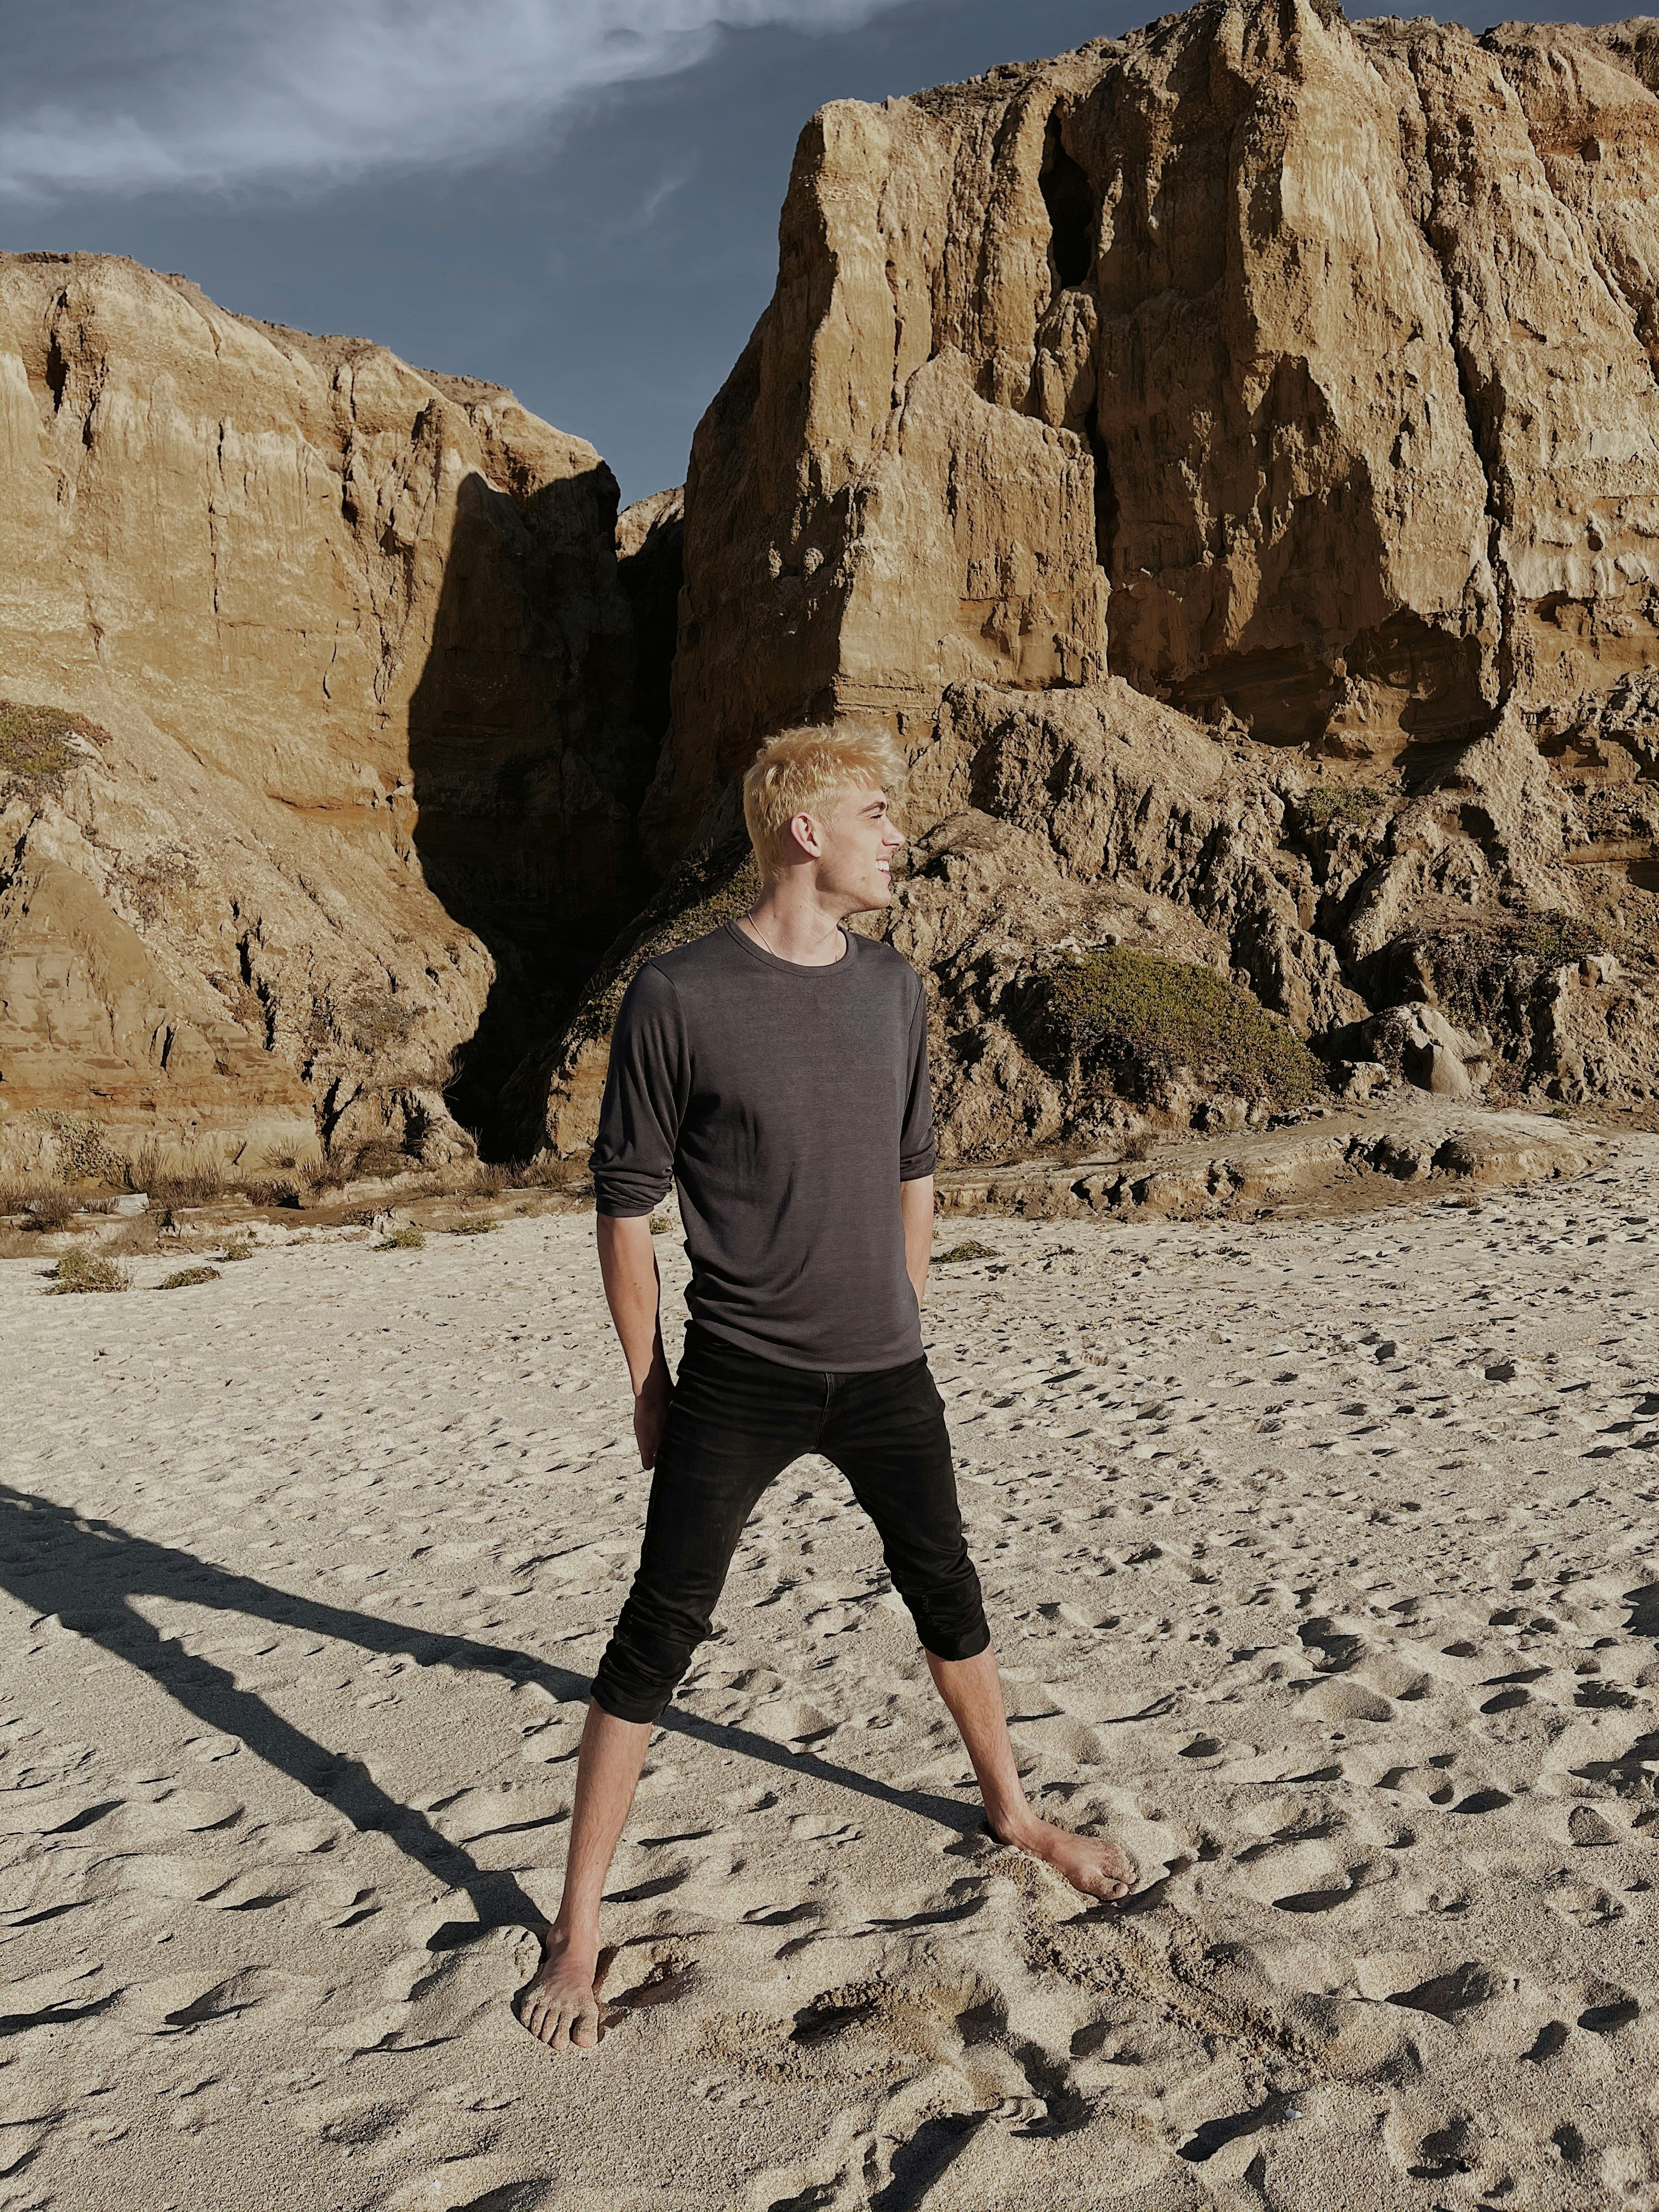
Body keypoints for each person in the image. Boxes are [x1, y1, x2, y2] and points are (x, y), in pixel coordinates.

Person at [518, 723, 1136, 2051]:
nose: (896, 836)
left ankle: (1012, 1810)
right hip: (739, 1376)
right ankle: (578, 1927)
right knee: (656, 1634)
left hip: (885, 1372)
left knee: (948, 1592)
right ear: (805, 833)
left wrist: (904, 1301)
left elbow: (916, 1160)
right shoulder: (676, 994)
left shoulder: (896, 988)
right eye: (877, 813)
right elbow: (624, 1209)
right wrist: (650, 1381)